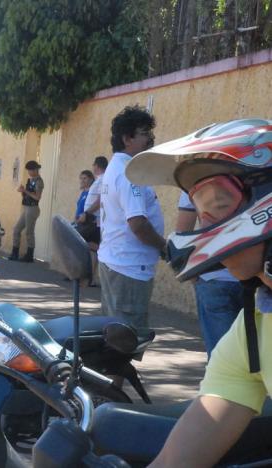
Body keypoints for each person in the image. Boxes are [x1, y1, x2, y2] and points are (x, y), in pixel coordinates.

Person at [124, 118, 272, 467]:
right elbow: (180, 457)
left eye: (218, 204)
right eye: (199, 205)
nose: (204, 223)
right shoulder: (255, 324)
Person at [97, 106, 164, 331]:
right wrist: (166, 248)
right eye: (145, 133)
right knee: (127, 338)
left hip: (118, 263)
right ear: (128, 139)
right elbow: (138, 224)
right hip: (129, 267)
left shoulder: (116, 168)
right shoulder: (128, 173)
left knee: (115, 333)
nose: (151, 139)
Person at [176, 191, 244, 358]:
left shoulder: (194, 179)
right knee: (256, 359)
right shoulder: (257, 172)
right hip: (252, 278)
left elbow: (182, 234)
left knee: (221, 358)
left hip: (213, 276)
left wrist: (193, 275)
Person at [8, 160, 44, 262]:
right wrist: (22, 192)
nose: (29, 172)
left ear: (35, 170)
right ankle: (15, 253)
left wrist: (25, 191)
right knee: (17, 229)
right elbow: (27, 196)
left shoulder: (39, 181)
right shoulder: (31, 180)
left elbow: (37, 197)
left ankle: (29, 255)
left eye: (30, 170)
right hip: (27, 207)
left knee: (29, 232)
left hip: (33, 209)